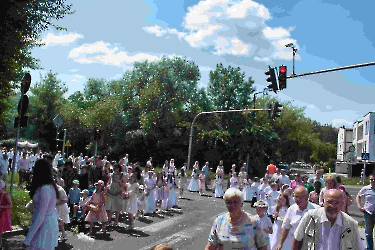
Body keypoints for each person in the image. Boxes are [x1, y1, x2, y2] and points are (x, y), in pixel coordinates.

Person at [293, 189, 364, 250]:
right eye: (329, 202)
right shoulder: (310, 217)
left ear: (342, 205)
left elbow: (358, 247)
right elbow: (297, 240)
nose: (333, 206)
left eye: (337, 203)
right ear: (323, 202)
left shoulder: (351, 224)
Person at [23, 158, 60, 250]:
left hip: (44, 226)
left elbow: (41, 215)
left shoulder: (46, 188)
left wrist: (28, 239)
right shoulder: (47, 186)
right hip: (45, 224)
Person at [356, 174, 375, 250]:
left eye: (374, 179)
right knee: (368, 233)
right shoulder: (366, 189)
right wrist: (359, 206)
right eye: (371, 179)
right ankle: (370, 248)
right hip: (368, 213)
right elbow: (358, 196)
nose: (373, 181)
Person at [0, 180, 12, 250]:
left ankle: (1, 246)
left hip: (3, 215)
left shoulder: (5, 195)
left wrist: (1, 206)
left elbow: (10, 205)